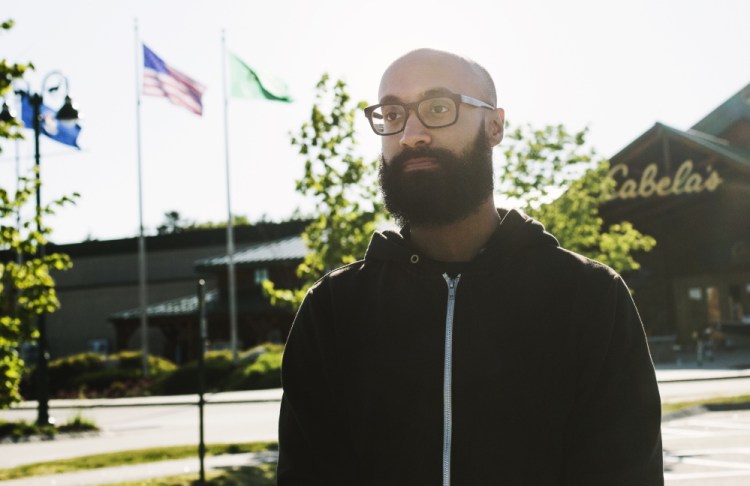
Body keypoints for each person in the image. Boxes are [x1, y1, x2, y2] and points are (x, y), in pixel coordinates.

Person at [277, 48, 663, 485]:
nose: (411, 135)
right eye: (392, 114)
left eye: (438, 108)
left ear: (495, 126)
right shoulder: (332, 309)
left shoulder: (591, 296)